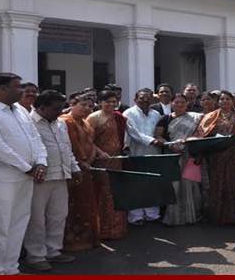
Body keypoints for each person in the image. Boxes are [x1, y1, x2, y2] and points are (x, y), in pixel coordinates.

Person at [0, 73, 48, 275]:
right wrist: (28, 167)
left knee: (18, 223)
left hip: (26, 177)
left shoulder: (21, 112)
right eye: (17, 86)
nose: (22, 90)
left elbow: (35, 139)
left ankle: (11, 269)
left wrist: (41, 162)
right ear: (2, 89)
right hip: (2, 179)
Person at [23, 91, 81, 271]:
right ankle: (35, 256)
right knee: (37, 219)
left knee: (58, 215)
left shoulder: (60, 123)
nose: (60, 112)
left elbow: (66, 148)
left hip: (61, 176)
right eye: (56, 109)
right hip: (39, 179)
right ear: (41, 107)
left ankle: (53, 251)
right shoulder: (27, 123)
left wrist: (75, 168)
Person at [194, 91, 235, 225]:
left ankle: (234, 216)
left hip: (232, 153)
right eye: (222, 99)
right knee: (216, 183)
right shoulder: (211, 116)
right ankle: (216, 216)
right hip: (215, 154)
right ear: (218, 102)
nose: (224, 101)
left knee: (232, 182)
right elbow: (201, 133)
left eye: (227, 99)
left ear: (233, 101)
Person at [155, 93, 204, 226]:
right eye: (176, 102)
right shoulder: (165, 119)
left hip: (190, 154)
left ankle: (191, 216)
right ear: (171, 104)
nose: (180, 104)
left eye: (182, 102)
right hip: (172, 155)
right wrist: (171, 145)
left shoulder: (195, 117)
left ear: (187, 104)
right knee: (174, 185)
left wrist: (189, 141)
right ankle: (174, 216)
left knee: (190, 184)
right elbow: (158, 137)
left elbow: (200, 134)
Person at [60, 93, 100, 252]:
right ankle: (69, 242)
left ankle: (86, 239)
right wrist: (79, 163)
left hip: (87, 169)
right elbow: (68, 146)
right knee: (71, 205)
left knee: (86, 203)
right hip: (72, 170)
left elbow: (91, 145)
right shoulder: (65, 122)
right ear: (72, 104)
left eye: (90, 106)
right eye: (83, 105)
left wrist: (89, 160)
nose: (87, 109)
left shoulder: (86, 124)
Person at [86, 90, 128, 239]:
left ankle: (117, 229)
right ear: (100, 102)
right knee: (104, 193)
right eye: (107, 101)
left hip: (117, 160)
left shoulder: (118, 117)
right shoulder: (93, 118)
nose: (111, 104)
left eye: (113, 101)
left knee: (116, 192)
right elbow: (88, 141)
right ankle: (102, 229)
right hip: (101, 161)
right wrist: (100, 152)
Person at [123, 88, 165, 225]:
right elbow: (133, 133)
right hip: (136, 153)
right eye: (141, 98)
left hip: (154, 153)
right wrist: (152, 140)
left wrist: (160, 141)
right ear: (135, 99)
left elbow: (159, 132)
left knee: (153, 184)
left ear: (152, 99)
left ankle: (153, 214)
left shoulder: (156, 114)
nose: (145, 100)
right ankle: (136, 216)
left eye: (148, 98)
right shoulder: (129, 113)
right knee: (136, 185)